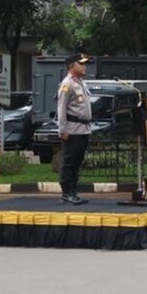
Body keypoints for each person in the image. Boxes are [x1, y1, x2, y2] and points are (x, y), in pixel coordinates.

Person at [57, 53, 93, 205]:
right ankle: (66, 193)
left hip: (83, 129)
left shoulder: (81, 83)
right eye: (81, 64)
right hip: (72, 130)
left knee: (77, 163)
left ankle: (74, 191)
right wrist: (62, 129)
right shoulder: (67, 84)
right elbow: (61, 107)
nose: (84, 66)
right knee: (69, 162)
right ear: (72, 66)